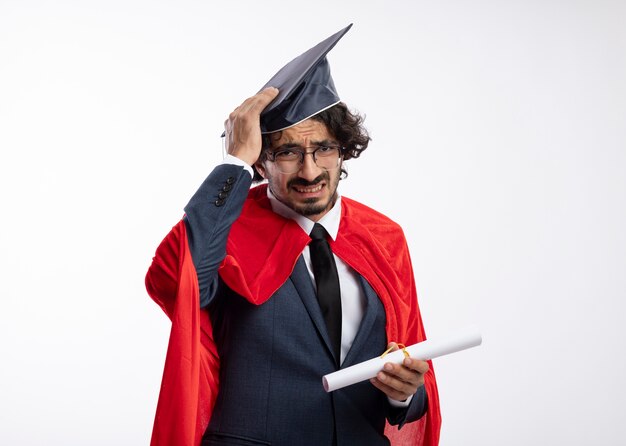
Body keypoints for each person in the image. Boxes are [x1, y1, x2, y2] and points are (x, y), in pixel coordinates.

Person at [145, 25, 441, 446]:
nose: (310, 171)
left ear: (344, 149)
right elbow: (179, 278)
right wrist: (233, 166)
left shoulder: (384, 237)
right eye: (286, 152)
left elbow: (409, 362)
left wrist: (404, 393)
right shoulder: (228, 230)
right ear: (261, 162)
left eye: (323, 148)